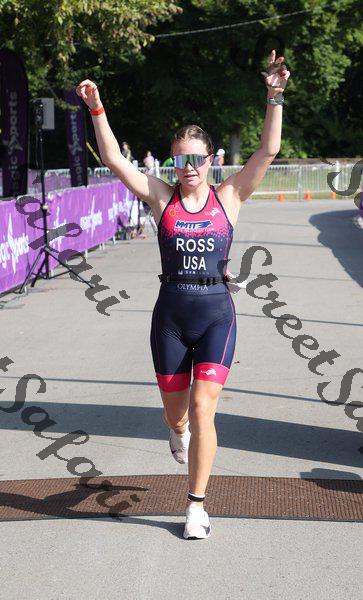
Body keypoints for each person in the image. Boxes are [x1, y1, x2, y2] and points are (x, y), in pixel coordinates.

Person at [75, 49, 290, 539]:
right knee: (177, 415)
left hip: (216, 314)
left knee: (203, 407)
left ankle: (196, 507)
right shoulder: (161, 197)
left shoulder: (229, 196)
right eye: (179, 158)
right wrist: (97, 108)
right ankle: (176, 432)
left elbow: (268, 151)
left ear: (210, 160)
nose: (188, 166)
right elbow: (113, 159)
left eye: (196, 158)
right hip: (170, 317)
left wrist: (274, 96)